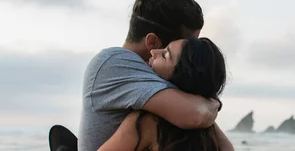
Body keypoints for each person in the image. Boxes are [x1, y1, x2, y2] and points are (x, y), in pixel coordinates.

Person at [48, 0, 233, 151]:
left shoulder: (153, 98)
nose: (191, 50)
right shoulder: (114, 63)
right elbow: (194, 114)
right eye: (185, 43)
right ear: (152, 42)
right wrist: (212, 103)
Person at [98, 37, 232, 151]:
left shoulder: (146, 122)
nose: (153, 51)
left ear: (181, 76)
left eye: (165, 56)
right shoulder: (209, 133)